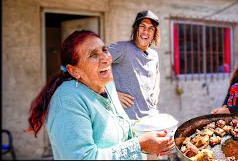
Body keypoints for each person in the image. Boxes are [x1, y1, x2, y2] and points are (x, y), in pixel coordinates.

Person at [25, 30, 174, 159]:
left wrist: (148, 140)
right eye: (93, 55)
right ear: (74, 71)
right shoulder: (67, 100)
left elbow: (120, 137)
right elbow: (82, 158)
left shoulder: (106, 86)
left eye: (104, 50)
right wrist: (139, 144)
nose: (106, 58)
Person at [107, 10, 161, 121]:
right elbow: (92, 66)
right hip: (128, 122)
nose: (146, 31)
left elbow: (157, 72)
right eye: (142, 26)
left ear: (155, 33)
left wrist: (157, 89)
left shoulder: (154, 55)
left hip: (151, 117)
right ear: (136, 28)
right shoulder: (121, 48)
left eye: (151, 28)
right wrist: (110, 93)